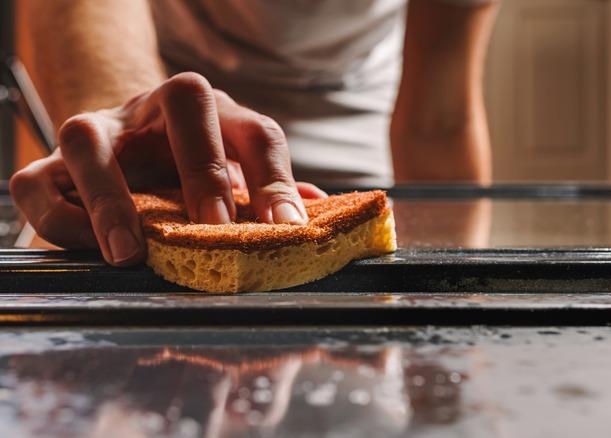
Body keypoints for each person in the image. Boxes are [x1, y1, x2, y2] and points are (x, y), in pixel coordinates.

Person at [9, 0, 498, 267]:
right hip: (170, 151)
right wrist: (130, 148)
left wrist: (456, 300)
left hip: (356, 175)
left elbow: (437, 122)